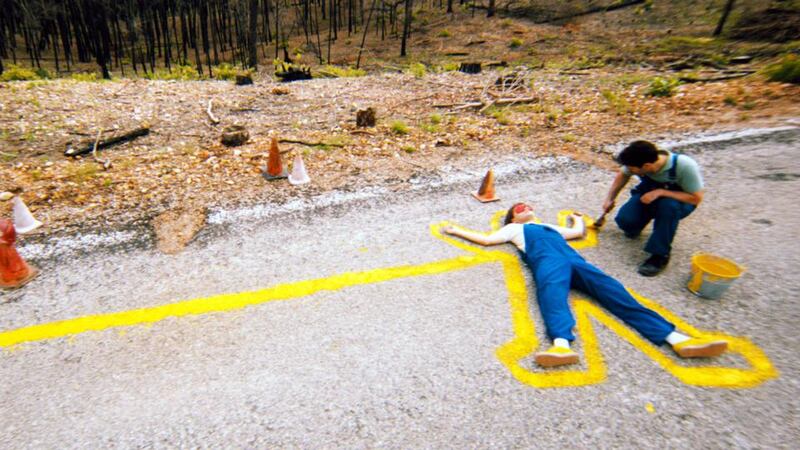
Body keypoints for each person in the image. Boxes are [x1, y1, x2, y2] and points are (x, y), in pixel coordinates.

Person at [441, 202, 727, 367]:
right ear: (512, 217)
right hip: (548, 263)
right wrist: (456, 230)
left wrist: (575, 219)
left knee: (618, 294)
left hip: (576, 262)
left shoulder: (551, 227)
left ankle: (677, 340)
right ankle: (562, 346)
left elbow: (577, 233)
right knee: (552, 298)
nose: (526, 208)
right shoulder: (514, 229)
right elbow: (488, 240)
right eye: (519, 207)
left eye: (528, 206)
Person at [602, 140, 704, 276]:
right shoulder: (639, 159)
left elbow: (696, 198)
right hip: (649, 195)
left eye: (633, 169)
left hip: (679, 201)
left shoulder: (684, 166)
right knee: (626, 221)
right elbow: (623, 174)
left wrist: (661, 192)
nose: (630, 170)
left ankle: (660, 255)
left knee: (668, 207)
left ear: (647, 166)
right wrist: (610, 198)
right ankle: (637, 225)